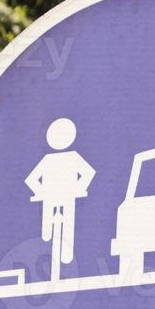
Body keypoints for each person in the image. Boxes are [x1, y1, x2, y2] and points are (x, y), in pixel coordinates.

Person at [25, 118, 96, 279]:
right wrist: (41, 191)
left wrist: (78, 188)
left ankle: (65, 254)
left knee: (68, 225)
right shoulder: (49, 159)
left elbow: (88, 173)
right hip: (51, 198)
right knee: (47, 230)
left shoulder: (72, 157)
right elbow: (31, 180)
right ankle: (49, 246)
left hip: (67, 197)